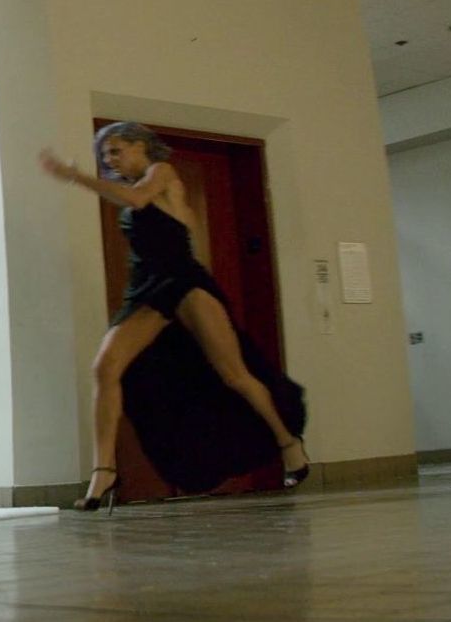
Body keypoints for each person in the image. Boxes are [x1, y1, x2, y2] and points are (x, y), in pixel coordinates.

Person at [40, 122, 308, 511]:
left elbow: (138, 200)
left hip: (183, 282)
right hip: (145, 287)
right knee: (105, 368)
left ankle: (288, 442)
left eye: (116, 150)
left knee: (234, 375)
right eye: (105, 155)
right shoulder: (131, 188)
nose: (110, 160)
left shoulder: (161, 172)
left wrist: (75, 176)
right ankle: (104, 471)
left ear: (141, 146)